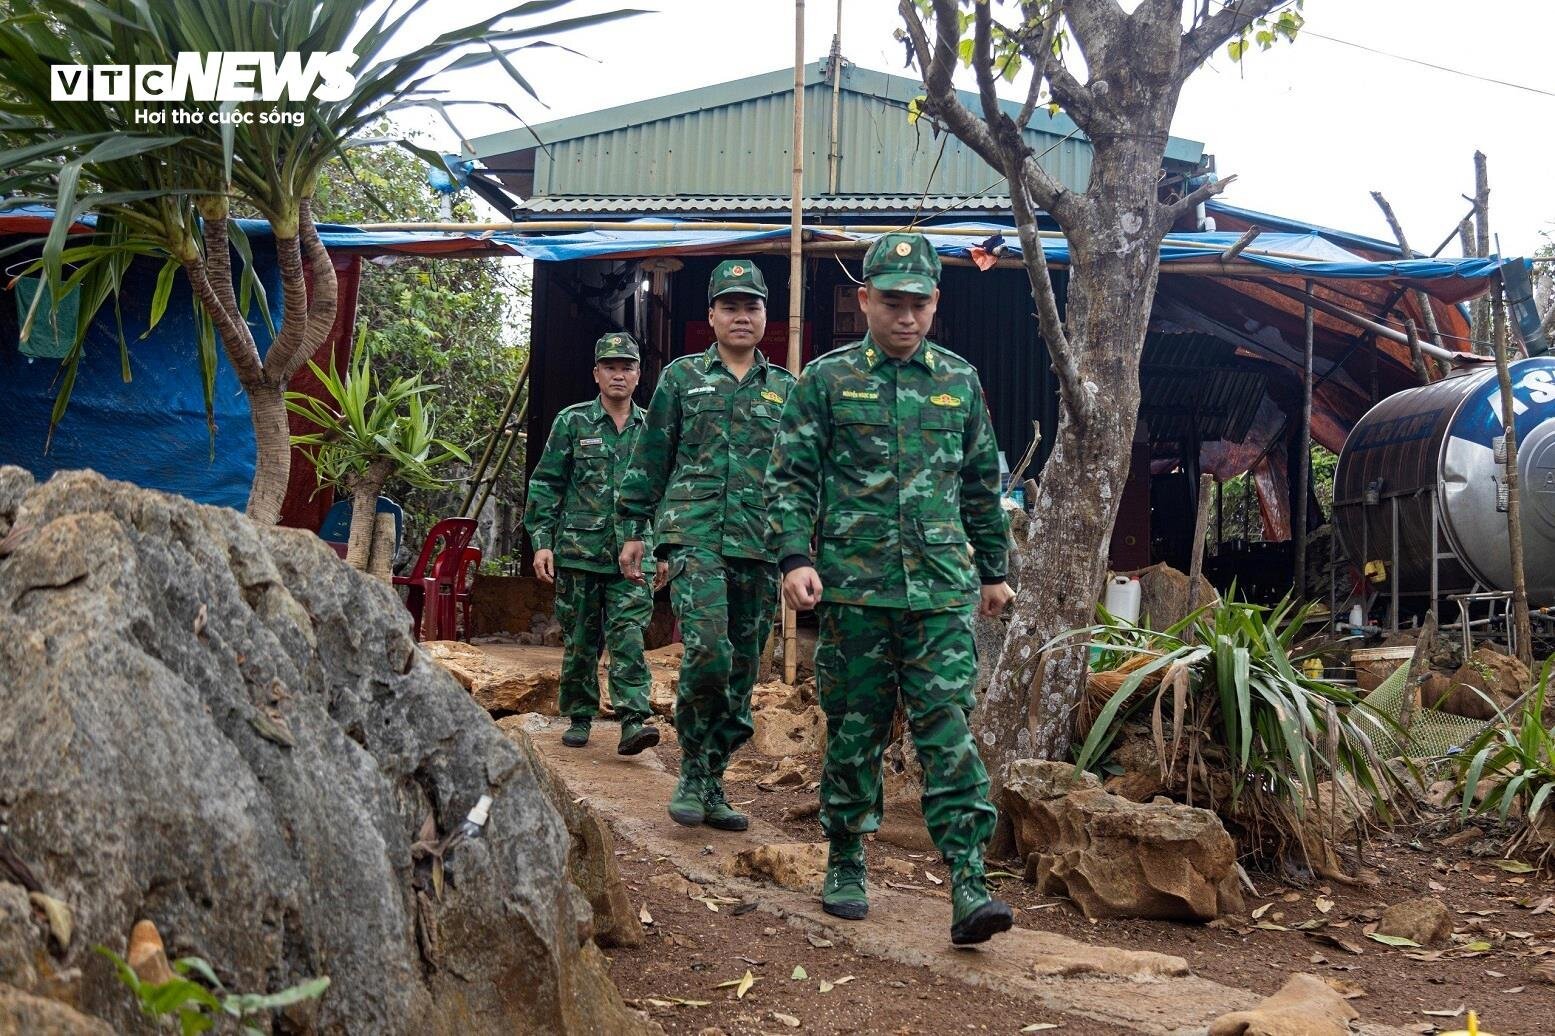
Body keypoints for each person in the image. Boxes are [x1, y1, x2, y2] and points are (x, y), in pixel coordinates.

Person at [764, 232, 1017, 945]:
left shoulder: (958, 381)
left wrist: (993, 572)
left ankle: (969, 880)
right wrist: (793, 557)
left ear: (935, 304)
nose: (905, 317)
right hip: (853, 590)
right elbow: (789, 477)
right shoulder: (827, 379)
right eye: (892, 303)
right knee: (855, 733)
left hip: (938, 592)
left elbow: (979, 485)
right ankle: (845, 856)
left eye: (918, 304)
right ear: (864, 300)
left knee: (948, 732)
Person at [618, 260, 796, 832]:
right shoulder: (680, 379)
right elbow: (652, 458)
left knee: (743, 670)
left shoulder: (788, 391)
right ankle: (693, 767)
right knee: (708, 650)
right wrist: (633, 530)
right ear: (712, 316)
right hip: (693, 533)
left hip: (761, 542)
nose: (741, 316)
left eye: (751, 307)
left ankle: (713, 774)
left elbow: (799, 477)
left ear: (765, 315)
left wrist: (802, 550)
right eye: (730, 306)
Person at [524, 332, 660, 755]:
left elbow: (667, 489)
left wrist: (666, 548)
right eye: (610, 367)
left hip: (634, 556)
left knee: (629, 635)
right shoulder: (572, 422)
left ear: (639, 374)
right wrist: (542, 542)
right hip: (580, 554)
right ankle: (580, 715)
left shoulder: (653, 427)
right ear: (596, 373)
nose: (619, 375)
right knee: (581, 639)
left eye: (627, 367)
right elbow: (547, 484)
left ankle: (633, 718)